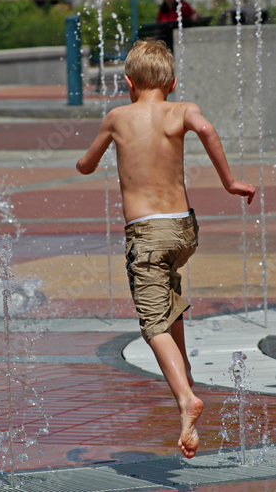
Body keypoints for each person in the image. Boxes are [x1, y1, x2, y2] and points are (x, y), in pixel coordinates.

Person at [76, 40, 255, 459]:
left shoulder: (117, 118)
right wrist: (229, 182)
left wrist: (85, 164)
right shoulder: (183, 110)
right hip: (183, 232)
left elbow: (86, 164)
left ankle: (184, 399)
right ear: (172, 83)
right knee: (167, 298)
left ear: (128, 83)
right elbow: (207, 129)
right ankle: (186, 371)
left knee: (153, 323)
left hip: (147, 236)